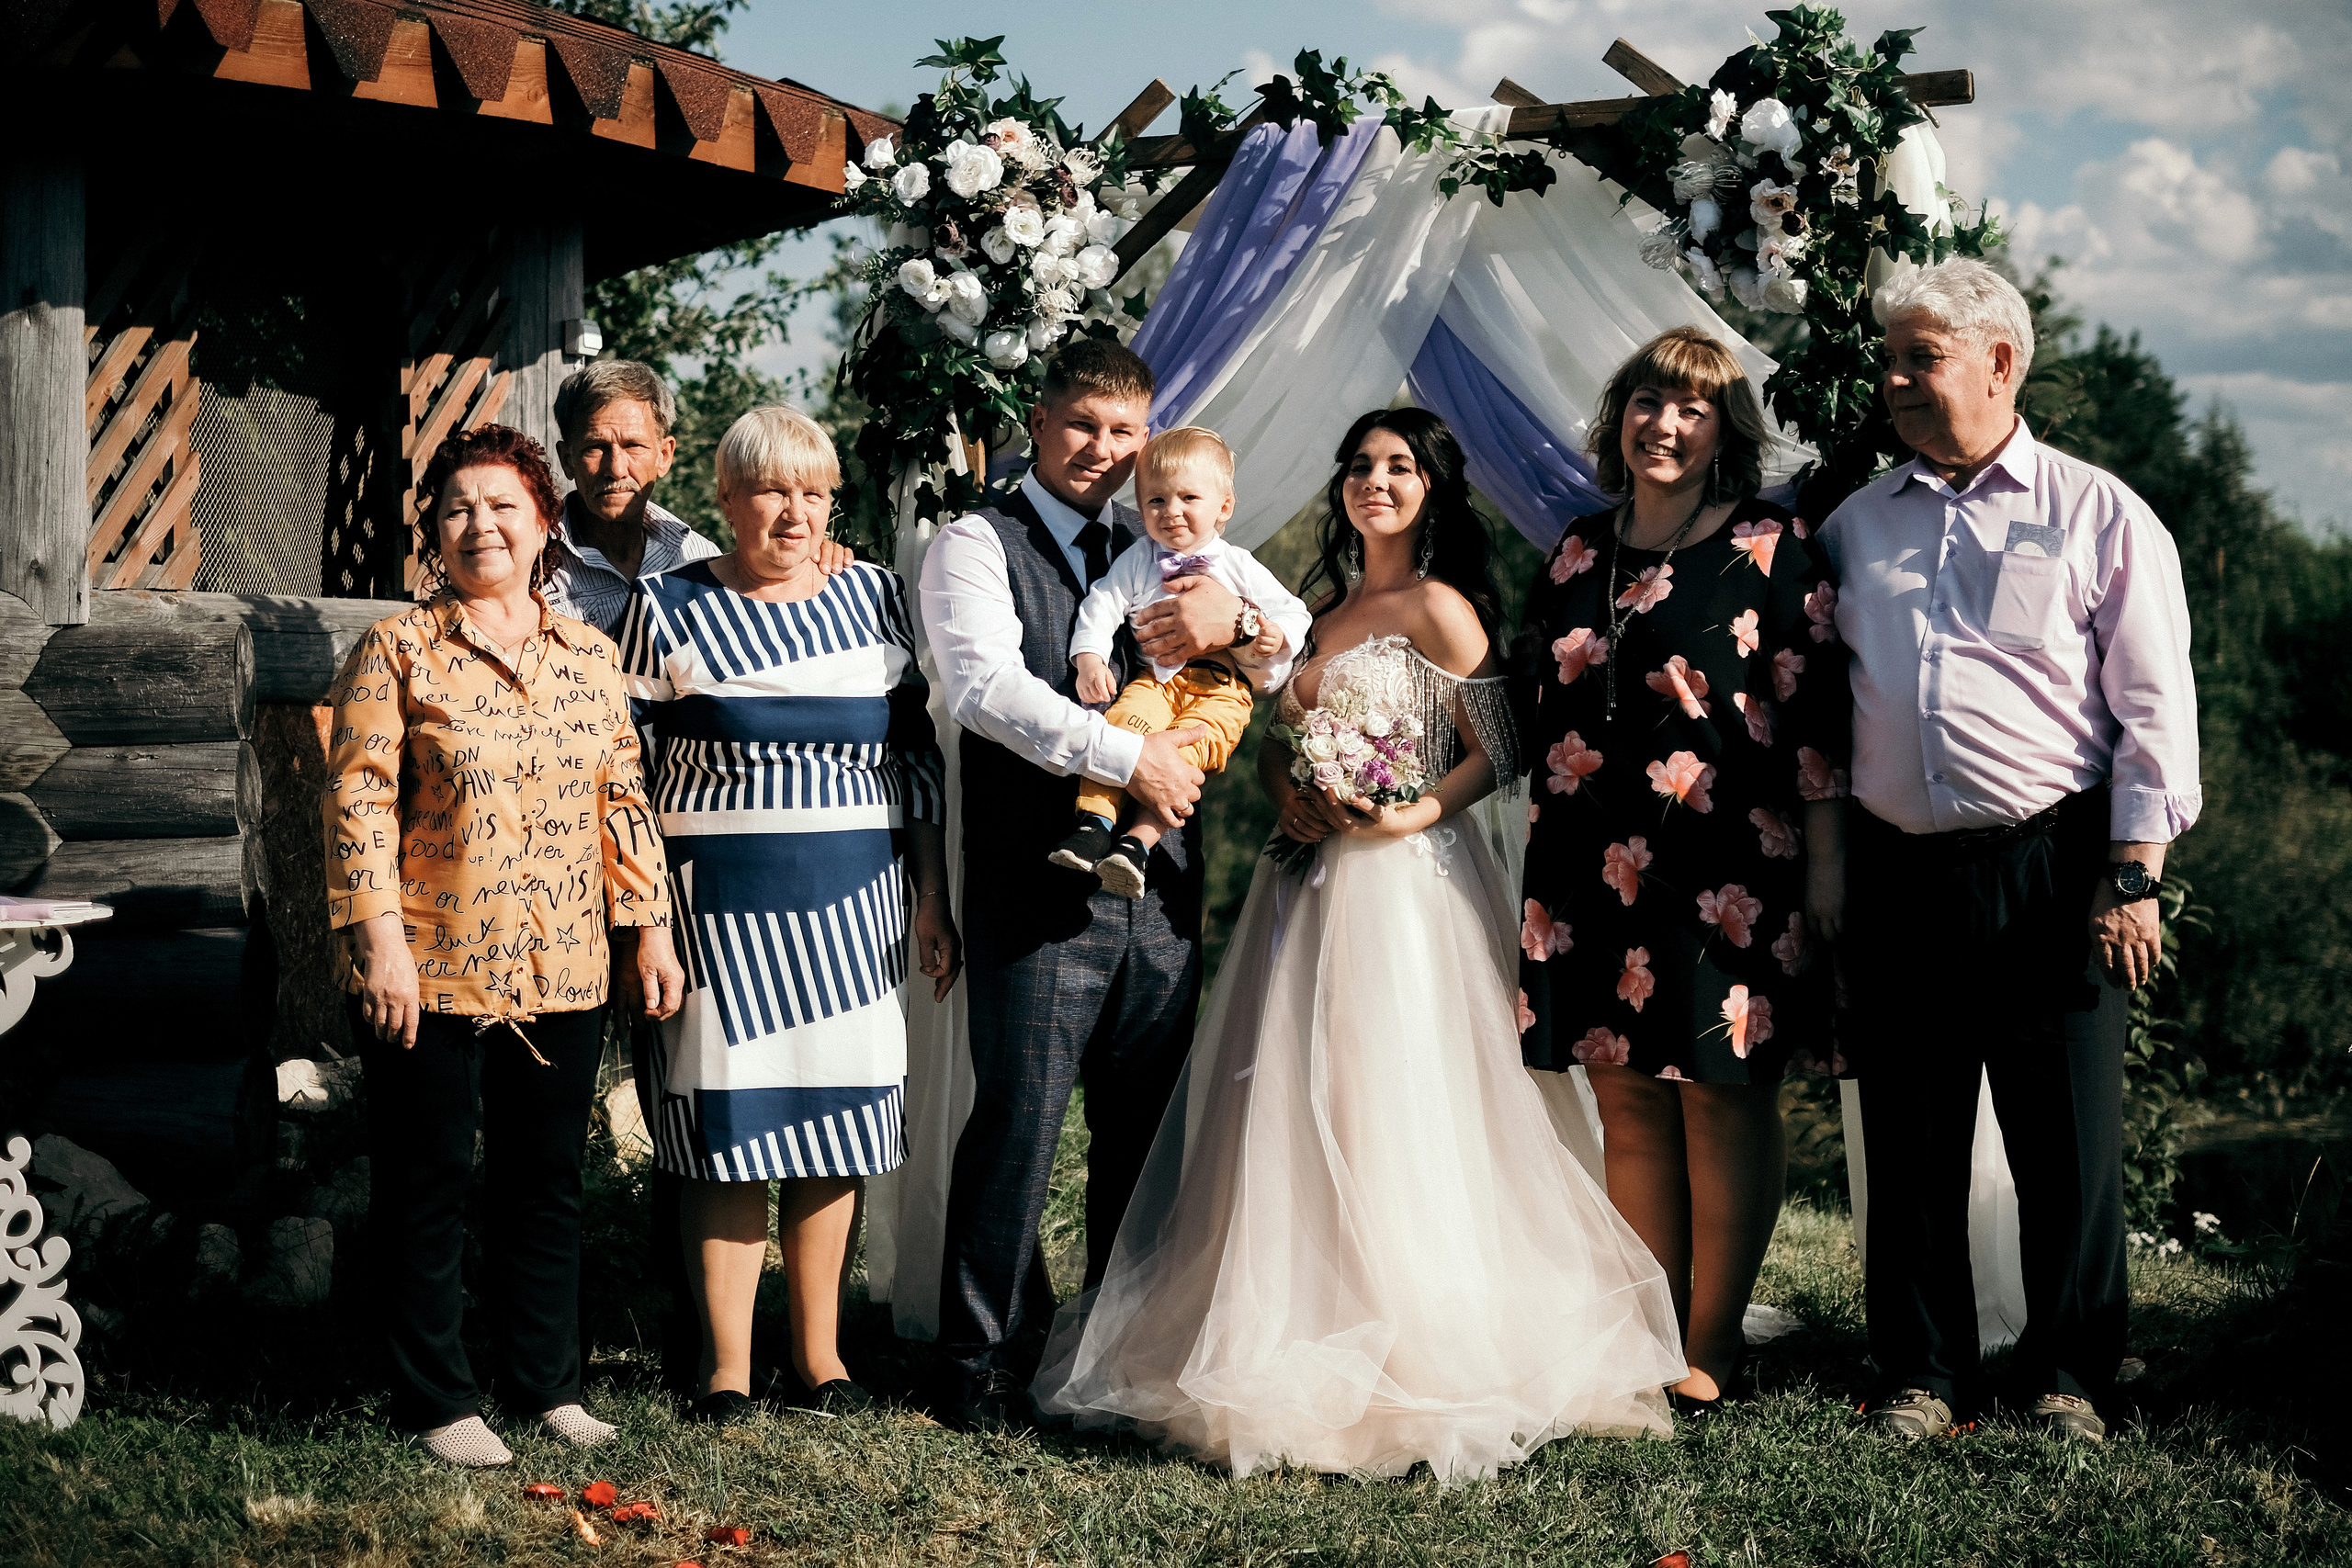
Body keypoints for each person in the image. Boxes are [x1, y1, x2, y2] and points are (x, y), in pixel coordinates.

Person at [1031, 408, 1685, 1482]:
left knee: (1397, 1092)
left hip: (1407, 889)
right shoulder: (1317, 614)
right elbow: (1274, 734)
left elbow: (1504, 745)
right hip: (1310, 885)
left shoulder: (1439, 606)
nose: (1373, 482)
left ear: (1431, 487)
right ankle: (1297, 1316)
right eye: (1360, 466)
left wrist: (1412, 815)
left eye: (1397, 467)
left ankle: (1427, 1332)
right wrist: (1291, 792)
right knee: (1298, 1094)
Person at [1821, 258, 2199, 1443]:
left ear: (1999, 361)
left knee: (2066, 1141)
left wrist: (2131, 871)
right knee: (1913, 1135)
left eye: (1918, 357)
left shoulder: (2097, 512)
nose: (1891, 380)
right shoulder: (1852, 525)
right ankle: (1920, 1374)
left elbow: (2155, 711)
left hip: (2056, 865)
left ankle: (2070, 1375)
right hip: (1898, 867)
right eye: (1889, 358)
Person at [918, 339, 1299, 1429]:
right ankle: (978, 1365)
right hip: (1037, 882)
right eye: (1083, 424)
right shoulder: (975, 542)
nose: (1103, 449)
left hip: (1164, 883)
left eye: (1124, 431)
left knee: (1145, 1132)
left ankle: (1117, 1358)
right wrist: (1131, 759)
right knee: (1022, 1127)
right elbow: (984, 687)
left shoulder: (1169, 544)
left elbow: (1274, 665)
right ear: (1037, 422)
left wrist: (1250, 630)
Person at [325, 423, 684, 1467]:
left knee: (546, 1180)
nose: (478, 525)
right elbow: (356, 804)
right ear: (435, 533)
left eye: (501, 507)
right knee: (427, 1179)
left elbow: (623, 799)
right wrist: (378, 945)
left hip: (563, 961)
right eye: (455, 510)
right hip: (429, 965)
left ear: (543, 526)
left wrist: (647, 930)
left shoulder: (589, 657)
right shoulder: (397, 651)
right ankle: (437, 1398)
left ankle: (546, 1385)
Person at [1512, 327, 1849, 1417]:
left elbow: (1817, 721)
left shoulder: (1771, 543)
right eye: (1649, 401)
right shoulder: (1573, 547)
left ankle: (1715, 1343)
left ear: (1724, 433)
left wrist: (1829, 871)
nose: (1666, 423)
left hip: (1727, 868)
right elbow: (1521, 704)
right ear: (1620, 416)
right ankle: (1652, 1328)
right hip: (1588, 860)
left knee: (1719, 1095)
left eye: (1693, 408)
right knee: (1625, 1097)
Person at [618, 407, 961, 1423]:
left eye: (814, 492)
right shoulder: (665, 605)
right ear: (723, 500)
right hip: (715, 914)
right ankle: (727, 1368)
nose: (795, 511)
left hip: (857, 907)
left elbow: (917, 762)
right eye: (771, 490)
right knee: (728, 1130)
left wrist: (931, 897)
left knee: (836, 1128)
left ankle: (822, 1360)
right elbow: (621, 775)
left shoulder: (874, 597)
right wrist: (646, 920)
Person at [545, 357, 852, 1404]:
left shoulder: (698, 555)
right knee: (583, 1104)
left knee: (692, 1101)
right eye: (593, 443)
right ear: (566, 455)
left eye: (634, 442)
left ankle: (698, 1339)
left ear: (672, 454)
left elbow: (786, 591)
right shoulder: (533, 564)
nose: (613, 462)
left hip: (669, 867)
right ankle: (558, 1340)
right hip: (561, 859)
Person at [1051, 425, 1311, 896]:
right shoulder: (1139, 558)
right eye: (1156, 501)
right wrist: (1089, 655)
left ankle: (1137, 845)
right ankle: (1094, 824)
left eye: (1189, 498)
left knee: (1189, 753)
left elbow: (1295, 610)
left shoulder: (1237, 562)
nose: (1172, 513)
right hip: (1156, 679)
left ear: (1224, 507)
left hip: (1221, 687)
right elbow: (1103, 601)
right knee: (1121, 727)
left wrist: (1276, 632)